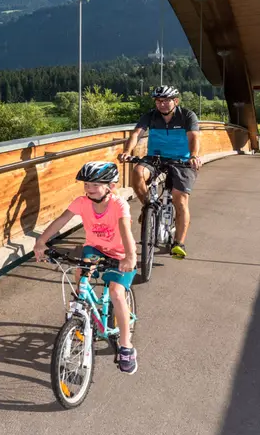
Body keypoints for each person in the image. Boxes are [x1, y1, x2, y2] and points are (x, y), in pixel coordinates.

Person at [34, 162, 138, 374]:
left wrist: (130, 256)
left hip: (119, 253)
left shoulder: (118, 205)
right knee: (80, 273)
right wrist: (40, 242)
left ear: (111, 186)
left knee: (117, 293)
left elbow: (125, 230)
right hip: (95, 248)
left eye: (95, 184)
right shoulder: (81, 202)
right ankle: (81, 309)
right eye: (86, 184)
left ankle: (126, 346)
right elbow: (61, 220)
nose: (88, 188)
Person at [119, 85, 201, 259]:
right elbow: (136, 134)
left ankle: (178, 243)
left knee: (180, 200)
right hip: (155, 158)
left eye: (165, 101)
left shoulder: (187, 115)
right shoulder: (150, 116)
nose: (161, 104)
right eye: (158, 101)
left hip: (182, 161)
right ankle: (148, 206)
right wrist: (127, 151)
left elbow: (193, 137)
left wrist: (193, 155)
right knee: (138, 172)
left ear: (175, 101)